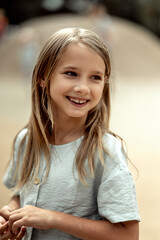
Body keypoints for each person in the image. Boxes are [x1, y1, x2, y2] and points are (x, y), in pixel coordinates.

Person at [0, 27, 140, 240]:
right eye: (71, 73)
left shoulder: (105, 151)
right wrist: (11, 213)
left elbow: (128, 235)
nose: (83, 87)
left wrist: (52, 218)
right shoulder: (25, 140)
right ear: (43, 77)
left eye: (95, 77)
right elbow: (21, 195)